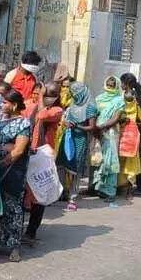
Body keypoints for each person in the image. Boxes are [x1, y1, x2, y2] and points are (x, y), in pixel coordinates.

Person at [0, 90, 32, 262]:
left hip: (13, 172)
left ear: (14, 105)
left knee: (14, 207)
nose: (2, 105)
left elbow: (19, 150)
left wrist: (2, 162)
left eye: (5, 103)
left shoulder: (23, 124)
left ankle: (14, 247)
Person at [24, 81, 62, 243]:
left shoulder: (57, 110)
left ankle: (31, 232)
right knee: (24, 193)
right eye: (46, 94)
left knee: (39, 195)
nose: (47, 98)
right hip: (27, 152)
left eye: (51, 95)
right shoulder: (28, 106)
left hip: (43, 156)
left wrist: (41, 96)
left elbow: (42, 115)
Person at [58, 81, 97, 211]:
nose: (74, 96)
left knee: (76, 167)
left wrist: (77, 126)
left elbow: (91, 127)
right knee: (62, 165)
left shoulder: (90, 107)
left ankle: (73, 196)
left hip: (80, 139)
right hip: (68, 136)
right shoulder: (73, 103)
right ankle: (61, 192)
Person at [94, 76, 125, 207]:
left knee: (111, 160)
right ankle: (99, 188)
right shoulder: (99, 98)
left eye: (113, 85)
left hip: (110, 133)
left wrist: (101, 127)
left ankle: (111, 192)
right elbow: (95, 114)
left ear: (117, 86)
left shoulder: (119, 100)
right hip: (97, 133)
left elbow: (116, 119)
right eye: (109, 84)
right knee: (97, 160)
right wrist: (95, 129)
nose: (110, 87)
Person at [119, 73, 141, 197]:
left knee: (133, 159)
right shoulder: (129, 95)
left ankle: (137, 187)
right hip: (128, 131)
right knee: (130, 158)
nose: (120, 85)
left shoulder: (133, 97)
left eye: (122, 83)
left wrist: (132, 122)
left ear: (127, 84)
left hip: (132, 132)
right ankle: (128, 185)